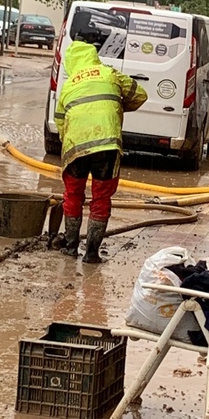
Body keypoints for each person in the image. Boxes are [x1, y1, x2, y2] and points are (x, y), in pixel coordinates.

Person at [54, 40, 147, 263]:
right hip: (107, 145)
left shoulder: (69, 85)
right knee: (101, 197)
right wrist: (115, 106)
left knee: (73, 195)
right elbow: (140, 95)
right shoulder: (110, 74)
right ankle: (92, 254)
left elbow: (60, 123)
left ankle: (70, 246)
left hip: (76, 147)